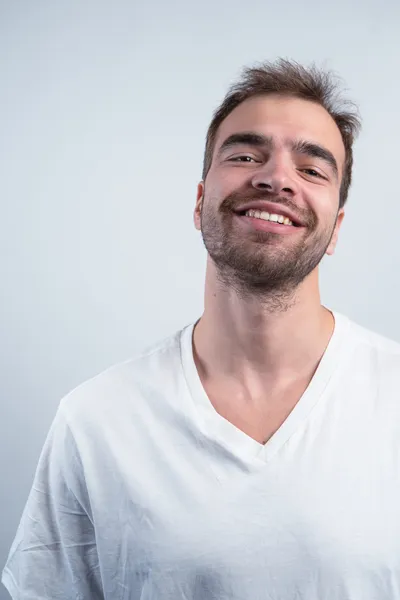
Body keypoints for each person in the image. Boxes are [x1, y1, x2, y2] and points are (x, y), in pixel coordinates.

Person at [2, 58, 400, 600]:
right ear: (198, 202)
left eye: (311, 170)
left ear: (335, 230)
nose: (276, 178)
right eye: (245, 156)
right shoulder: (96, 421)